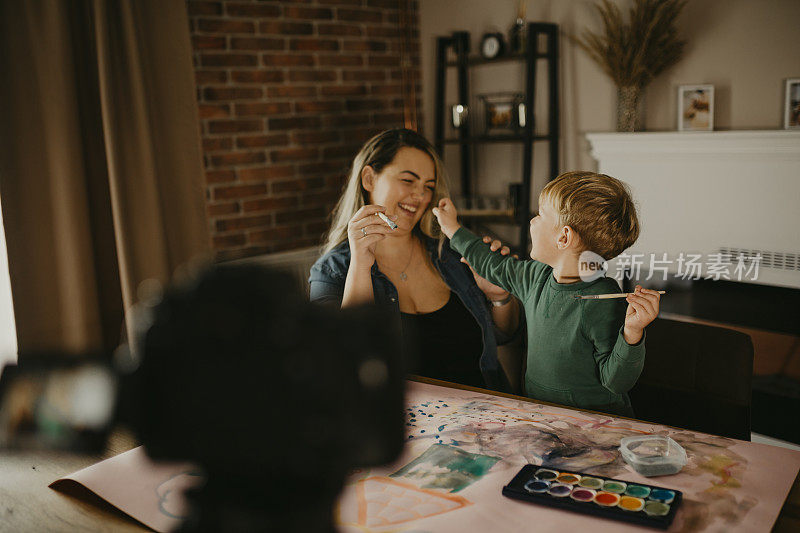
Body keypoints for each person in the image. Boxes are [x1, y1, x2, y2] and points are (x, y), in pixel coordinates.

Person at [432, 171, 661, 417]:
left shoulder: (603, 300)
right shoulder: (534, 276)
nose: (532, 221)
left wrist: (632, 333)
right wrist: (452, 228)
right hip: (542, 415)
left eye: (540, 215)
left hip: (595, 425)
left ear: (563, 237)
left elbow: (616, 382)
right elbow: (490, 263)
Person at [309, 128, 522, 392]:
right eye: (408, 181)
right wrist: (360, 266)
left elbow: (504, 334)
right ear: (368, 179)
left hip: (489, 418)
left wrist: (500, 297)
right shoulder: (331, 271)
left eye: (428, 187)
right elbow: (340, 363)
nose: (420, 196)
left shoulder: (451, 253)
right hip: (406, 429)